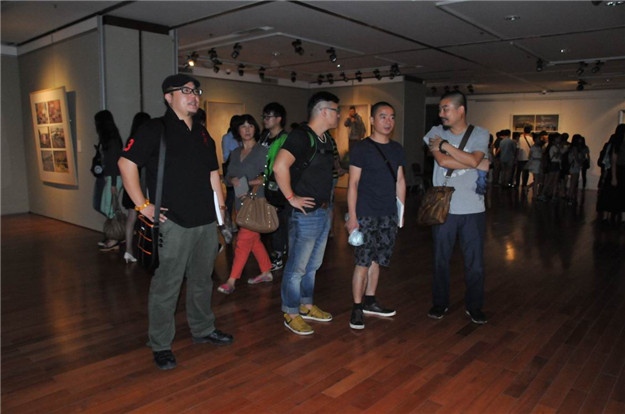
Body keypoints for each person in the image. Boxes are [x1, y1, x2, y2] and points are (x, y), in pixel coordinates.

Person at [118, 74, 233, 370]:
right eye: (185, 91)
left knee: (201, 280)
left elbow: (213, 174)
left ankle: (203, 328)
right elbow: (126, 163)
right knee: (167, 285)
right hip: (174, 222)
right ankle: (160, 343)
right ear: (168, 97)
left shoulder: (203, 133)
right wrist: (142, 206)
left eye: (196, 91)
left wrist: (220, 209)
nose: (194, 96)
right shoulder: (154, 128)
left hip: (205, 221)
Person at [273, 91, 339, 335]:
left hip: (323, 210)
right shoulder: (301, 136)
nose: (339, 115)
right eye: (336, 110)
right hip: (305, 215)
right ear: (323, 111)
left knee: (313, 265)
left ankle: (306, 305)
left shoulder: (325, 139)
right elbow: (280, 166)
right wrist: (291, 197)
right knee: (297, 267)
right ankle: (291, 313)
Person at [423, 90, 490, 325]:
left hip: (473, 209)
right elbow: (444, 161)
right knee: (440, 260)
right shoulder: (434, 132)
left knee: (475, 263)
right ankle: (440, 303)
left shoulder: (480, 133)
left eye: (446, 108)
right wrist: (475, 161)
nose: (441, 113)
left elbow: (473, 160)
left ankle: (474, 306)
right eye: (440, 109)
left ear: (461, 110)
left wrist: (445, 146)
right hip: (444, 209)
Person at [346, 102, 406, 330]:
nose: (388, 121)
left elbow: (400, 180)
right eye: (383, 116)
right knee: (362, 261)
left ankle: (370, 300)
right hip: (366, 214)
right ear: (371, 120)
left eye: (391, 117)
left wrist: (400, 213)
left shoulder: (397, 149)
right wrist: (352, 217)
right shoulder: (362, 148)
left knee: (377, 260)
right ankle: (357, 307)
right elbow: (353, 184)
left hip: (388, 214)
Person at [217, 115, 273, 294]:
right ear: (237, 131)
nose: (247, 130)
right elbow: (228, 177)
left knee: (243, 240)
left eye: (250, 126)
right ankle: (266, 271)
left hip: (257, 201)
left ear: (256, 129)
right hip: (240, 202)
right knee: (253, 239)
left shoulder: (263, 151)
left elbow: (270, 175)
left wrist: (249, 182)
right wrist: (232, 180)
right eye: (243, 126)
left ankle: (232, 280)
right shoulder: (235, 153)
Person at [261, 102, 289, 271]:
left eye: (268, 116)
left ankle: (278, 255)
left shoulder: (285, 139)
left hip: (277, 187)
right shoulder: (264, 136)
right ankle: (275, 252)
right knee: (268, 223)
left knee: (278, 223)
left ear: (278, 119)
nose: (265, 120)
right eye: (264, 116)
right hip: (264, 185)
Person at [121, 112, 151, 263]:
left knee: (131, 218)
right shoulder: (144, 140)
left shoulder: (130, 140)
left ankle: (129, 250)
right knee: (144, 219)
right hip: (141, 186)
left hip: (130, 185)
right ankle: (143, 249)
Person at [93, 110, 124, 251]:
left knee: (109, 208)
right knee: (106, 207)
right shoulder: (109, 139)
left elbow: (114, 163)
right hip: (111, 177)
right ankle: (113, 236)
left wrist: (113, 184)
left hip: (114, 177)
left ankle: (114, 238)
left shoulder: (112, 141)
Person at [222, 115, 242, 232]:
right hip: (231, 170)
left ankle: (240, 222)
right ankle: (228, 223)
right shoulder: (227, 138)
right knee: (230, 198)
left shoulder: (241, 137)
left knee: (241, 197)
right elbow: (226, 156)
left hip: (242, 171)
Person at [517, 126, 532, 190]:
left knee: (518, 172)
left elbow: (518, 148)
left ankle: (517, 184)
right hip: (528, 157)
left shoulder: (520, 139)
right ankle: (524, 184)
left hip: (520, 157)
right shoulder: (531, 139)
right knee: (526, 172)